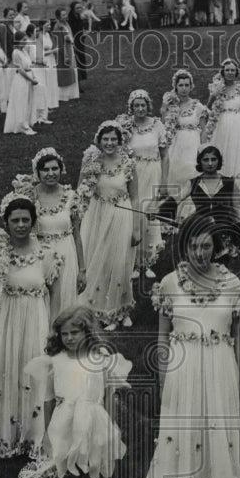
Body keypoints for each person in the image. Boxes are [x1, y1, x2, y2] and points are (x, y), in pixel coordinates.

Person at [119, 213, 240, 478]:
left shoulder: (232, 284)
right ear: (184, 247)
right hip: (183, 369)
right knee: (186, 432)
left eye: (206, 245)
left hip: (221, 366)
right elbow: (163, 337)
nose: (200, 252)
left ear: (217, 247)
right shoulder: (169, 283)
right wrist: (165, 377)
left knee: (217, 432)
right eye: (194, 246)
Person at [18, 305, 130, 478]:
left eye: (74, 333)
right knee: (70, 473)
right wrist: (49, 432)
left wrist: (109, 425)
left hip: (92, 420)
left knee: (92, 470)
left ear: (86, 332)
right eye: (64, 334)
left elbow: (108, 395)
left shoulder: (99, 359)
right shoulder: (54, 362)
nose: (69, 338)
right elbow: (48, 399)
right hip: (65, 421)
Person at [0, 195, 63, 457]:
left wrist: (53, 330)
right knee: (3, 370)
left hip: (35, 319)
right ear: (6, 223)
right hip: (5, 319)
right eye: (15, 220)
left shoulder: (47, 254)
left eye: (26, 219)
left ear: (34, 221)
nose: (21, 225)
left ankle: (31, 438)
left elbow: (56, 296)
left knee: (33, 376)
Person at [76, 121, 141, 331]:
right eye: (106, 139)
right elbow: (81, 191)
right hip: (97, 215)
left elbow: (136, 197)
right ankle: (99, 308)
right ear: (99, 140)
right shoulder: (91, 160)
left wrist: (136, 227)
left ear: (120, 141)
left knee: (120, 263)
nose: (110, 143)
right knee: (98, 260)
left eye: (114, 139)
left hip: (121, 215)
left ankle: (121, 309)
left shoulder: (128, 163)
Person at [9, 147, 86, 320]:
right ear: (37, 172)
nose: (51, 173)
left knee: (65, 302)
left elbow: (77, 235)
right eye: (45, 169)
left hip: (66, 253)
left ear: (61, 169)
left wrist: (82, 270)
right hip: (39, 255)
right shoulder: (29, 196)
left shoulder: (72, 196)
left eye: (54, 168)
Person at [117, 90, 170, 279]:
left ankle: (146, 261)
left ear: (148, 106)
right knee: (132, 214)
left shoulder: (157, 126)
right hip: (133, 173)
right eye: (136, 106)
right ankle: (131, 262)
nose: (140, 109)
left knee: (149, 214)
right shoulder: (125, 126)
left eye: (143, 105)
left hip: (153, 172)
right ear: (131, 108)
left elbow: (165, 156)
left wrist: (164, 182)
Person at [176, 145, 240, 263]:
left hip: (225, 230)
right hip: (201, 232)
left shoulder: (230, 183)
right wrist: (160, 208)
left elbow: (237, 210)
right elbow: (176, 199)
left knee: (222, 269)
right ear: (200, 162)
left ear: (219, 161)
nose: (210, 163)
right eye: (206, 160)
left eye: (213, 159)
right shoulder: (193, 183)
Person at [161, 69, 212, 220]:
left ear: (191, 87)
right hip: (176, 145)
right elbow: (164, 128)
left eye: (186, 85)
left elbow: (204, 130)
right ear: (175, 87)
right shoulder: (171, 106)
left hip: (192, 144)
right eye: (181, 85)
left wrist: (202, 150)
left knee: (191, 176)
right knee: (175, 174)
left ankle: (190, 215)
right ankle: (171, 212)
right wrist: (164, 109)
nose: (184, 88)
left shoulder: (198, 107)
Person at [206, 59, 240, 192]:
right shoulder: (217, 87)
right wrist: (213, 95)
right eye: (227, 70)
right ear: (223, 72)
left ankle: (238, 186)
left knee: (236, 150)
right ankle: (219, 183)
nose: (230, 73)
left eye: (232, 70)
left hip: (237, 123)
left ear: (236, 72)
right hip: (221, 123)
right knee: (221, 149)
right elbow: (207, 108)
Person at [3, 33, 39, 135]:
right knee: (21, 102)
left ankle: (26, 122)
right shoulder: (16, 53)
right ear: (17, 41)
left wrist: (34, 77)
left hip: (28, 77)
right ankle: (21, 126)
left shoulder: (24, 51)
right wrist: (30, 80)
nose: (25, 42)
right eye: (23, 40)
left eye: (25, 39)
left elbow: (29, 66)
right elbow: (20, 70)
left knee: (28, 101)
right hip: (21, 80)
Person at [24, 24, 52, 127]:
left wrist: (43, 61)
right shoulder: (27, 43)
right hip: (34, 70)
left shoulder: (37, 42)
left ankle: (43, 116)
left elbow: (41, 54)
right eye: (36, 31)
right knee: (37, 92)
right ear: (31, 32)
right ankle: (35, 116)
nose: (38, 33)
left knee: (43, 91)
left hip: (41, 69)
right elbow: (27, 58)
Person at [52, 8, 80, 101]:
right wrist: (65, 56)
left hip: (69, 48)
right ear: (58, 17)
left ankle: (73, 93)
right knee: (65, 72)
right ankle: (64, 95)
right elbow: (59, 42)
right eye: (63, 15)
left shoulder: (66, 24)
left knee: (72, 70)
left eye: (65, 14)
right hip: (63, 51)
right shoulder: (58, 27)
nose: (65, 16)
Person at [38, 19, 60, 116]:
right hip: (45, 60)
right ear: (42, 25)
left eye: (50, 25)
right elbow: (39, 52)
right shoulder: (39, 36)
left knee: (52, 81)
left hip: (51, 60)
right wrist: (53, 51)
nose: (49, 27)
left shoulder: (48, 35)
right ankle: (45, 104)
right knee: (46, 81)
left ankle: (52, 102)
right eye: (47, 25)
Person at [67, 1, 90, 85]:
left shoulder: (79, 17)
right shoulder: (71, 20)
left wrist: (84, 34)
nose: (80, 9)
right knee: (76, 62)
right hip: (74, 43)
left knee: (80, 61)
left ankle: (79, 82)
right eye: (77, 8)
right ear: (73, 9)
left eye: (80, 7)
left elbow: (80, 30)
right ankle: (77, 83)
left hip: (80, 42)